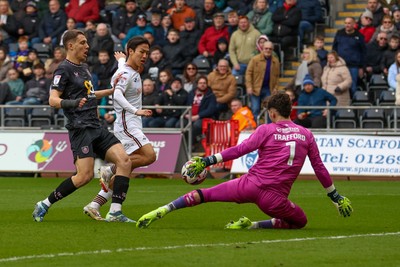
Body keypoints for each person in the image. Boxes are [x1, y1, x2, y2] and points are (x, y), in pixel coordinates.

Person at [135, 92, 353, 229]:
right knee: (300, 221)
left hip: (248, 185)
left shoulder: (266, 129)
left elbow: (240, 150)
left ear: (273, 112)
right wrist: (335, 196)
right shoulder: (306, 134)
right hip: (274, 199)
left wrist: (207, 161)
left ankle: (164, 209)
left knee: (206, 194)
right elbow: (319, 168)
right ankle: (253, 225)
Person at [32, 29, 133, 223]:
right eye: (83, 43)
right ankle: (44, 203)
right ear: (70, 46)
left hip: (96, 127)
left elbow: (90, 95)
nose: (87, 46)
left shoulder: (84, 68)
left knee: (125, 162)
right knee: (84, 176)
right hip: (80, 129)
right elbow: (53, 100)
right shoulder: (63, 69)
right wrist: (72, 103)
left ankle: (115, 212)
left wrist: (113, 90)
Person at [83, 38, 157, 222]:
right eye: (141, 52)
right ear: (131, 51)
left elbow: (122, 70)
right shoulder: (126, 73)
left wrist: (121, 60)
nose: (145, 56)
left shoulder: (126, 68)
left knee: (127, 168)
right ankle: (111, 170)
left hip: (130, 123)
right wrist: (135, 110)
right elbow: (116, 93)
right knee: (149, 156)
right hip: (127, 124)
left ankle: (97, 205)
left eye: (147, 52)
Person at [332, 17, 366, 97]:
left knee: (352, 87)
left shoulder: (359, 36)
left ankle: (352, 107)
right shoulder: (339, 33)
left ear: (354, 24)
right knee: (339, 86)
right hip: (340, 65)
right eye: (346, 23)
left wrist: (361, 67)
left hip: (353, 66)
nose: (347, 25)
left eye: (349, 23)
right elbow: (334, 48)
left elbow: (363, 52)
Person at [245, 41, 280, 119]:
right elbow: (248, 73)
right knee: (255, 108)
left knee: (270, 109)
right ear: (262, 49)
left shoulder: (275, 61)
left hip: (268, 89)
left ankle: (269, 128)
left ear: (273, 50)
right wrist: (249, 86)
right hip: (255, 88)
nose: (268, 50)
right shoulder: (255, 59)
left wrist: (276, 88)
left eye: (270, 49)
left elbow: (277, 76)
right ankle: (256, 128)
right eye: (266, 48)